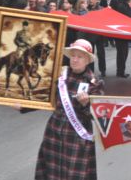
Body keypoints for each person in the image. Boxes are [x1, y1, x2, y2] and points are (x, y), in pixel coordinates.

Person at [35, 39, 104, 180]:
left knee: (74, 175)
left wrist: (86, 104)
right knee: (51, 172)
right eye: (73, 56)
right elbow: (44, 96)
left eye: (80, 57)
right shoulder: (60, 75)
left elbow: (98, 114)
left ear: (87, 60)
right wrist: (23, 105)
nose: (75, 60)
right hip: (54, 132)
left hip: (77, 137)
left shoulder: (94, 82)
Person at [114, 0, 131, 78]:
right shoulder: (122, 7)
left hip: (123, 33)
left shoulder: (124, 6)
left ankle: (121, 70)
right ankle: (120, 72)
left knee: (124, 52)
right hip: (121, 33)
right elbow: (129, 17)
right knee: (122, 53)